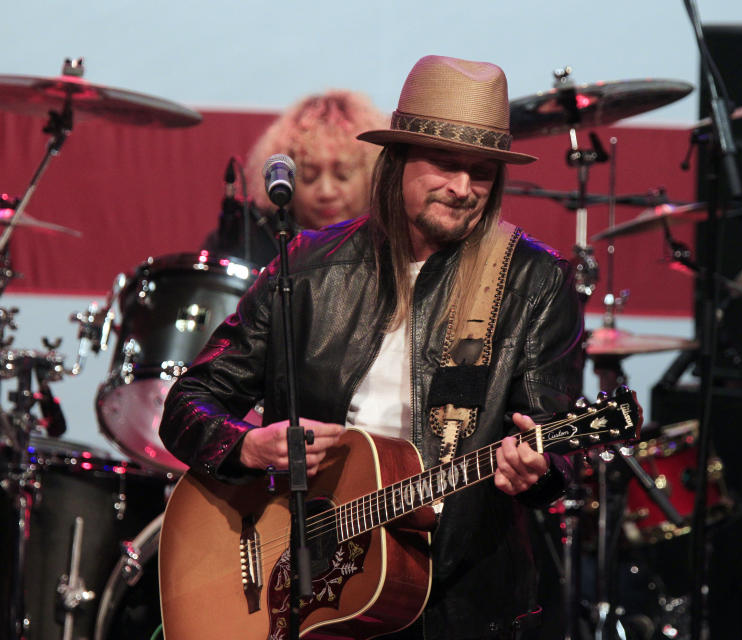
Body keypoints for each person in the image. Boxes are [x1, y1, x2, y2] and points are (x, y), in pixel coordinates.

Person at [160, 55, 603, 639]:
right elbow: (189, 401)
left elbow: (554, 440)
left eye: (483, 172)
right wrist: (247, 448)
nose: (464, 188)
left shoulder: (533, 282)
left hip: (459, 606)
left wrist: (542, 469)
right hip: (307, 599)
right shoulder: (308, 268)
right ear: (395, 161)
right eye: (446, 164)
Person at [203, 90, 387, 266]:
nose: (326, 192)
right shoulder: (247, 240)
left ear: (371, 175)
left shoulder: (391, 242)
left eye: (342, 175)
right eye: (308, 176)